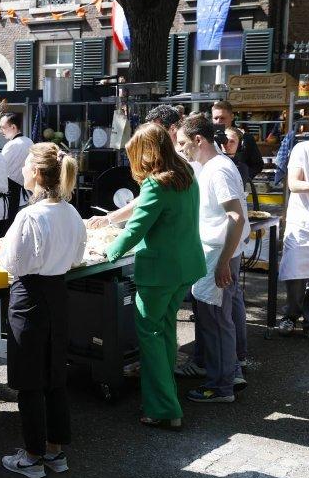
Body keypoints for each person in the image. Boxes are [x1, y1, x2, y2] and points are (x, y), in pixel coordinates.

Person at [105, 123, 205, 429]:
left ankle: (163, 409)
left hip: (159, 272)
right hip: (185, 267)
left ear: (149, 152)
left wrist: (107, 254)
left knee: (151, 338)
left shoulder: (156, 184)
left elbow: (135, 230)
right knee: (164, 333)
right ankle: (167, 402)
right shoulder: (186, 174)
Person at [0, 142, 85, 478]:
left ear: (36, 172)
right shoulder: (71, 211)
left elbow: (11, 261)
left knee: (30, 380)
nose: (20, 170)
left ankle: (32, 457)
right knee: (54, 376)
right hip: (58, 294)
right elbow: (77, 257)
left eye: (24, 165)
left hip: (29, 296)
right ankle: (55, 452)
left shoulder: (29, 215)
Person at [175, 114, 249, 403]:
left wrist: (222, 262)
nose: (181, 149)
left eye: (183, 144)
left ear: (198, 140)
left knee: (218, 323)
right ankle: (216, 374)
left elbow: (236, 217)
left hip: (218, 255)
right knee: (214, 320)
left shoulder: (218, 170)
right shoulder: (211, 166)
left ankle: (221, 386)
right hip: (215, 254)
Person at [87, 105, 182, 229]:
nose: (150, 137)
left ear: (173, 129)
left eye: (155, 131)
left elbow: (147, 199)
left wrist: (109, 219)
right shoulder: (173, 157)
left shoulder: (179, 159)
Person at [276, 114, 309, 343]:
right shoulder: (302, 149)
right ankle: (290, 316)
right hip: (302, 224)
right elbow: (293, 184)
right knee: (295, 274)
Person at [211, 101, 263, 179]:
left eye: (222, 118)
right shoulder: (208, 139)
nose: (219, 121)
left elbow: (257, 165)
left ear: (232, 117)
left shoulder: (245, 138)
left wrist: (242, 177)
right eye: (216, 118)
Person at [0, 112, 33, 223]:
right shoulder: (29, 141)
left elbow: (0, 169)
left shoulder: (11, 145)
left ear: (13, 127)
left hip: (12, 192)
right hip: (28, 192)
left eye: (3, 128)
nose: (1, 131)